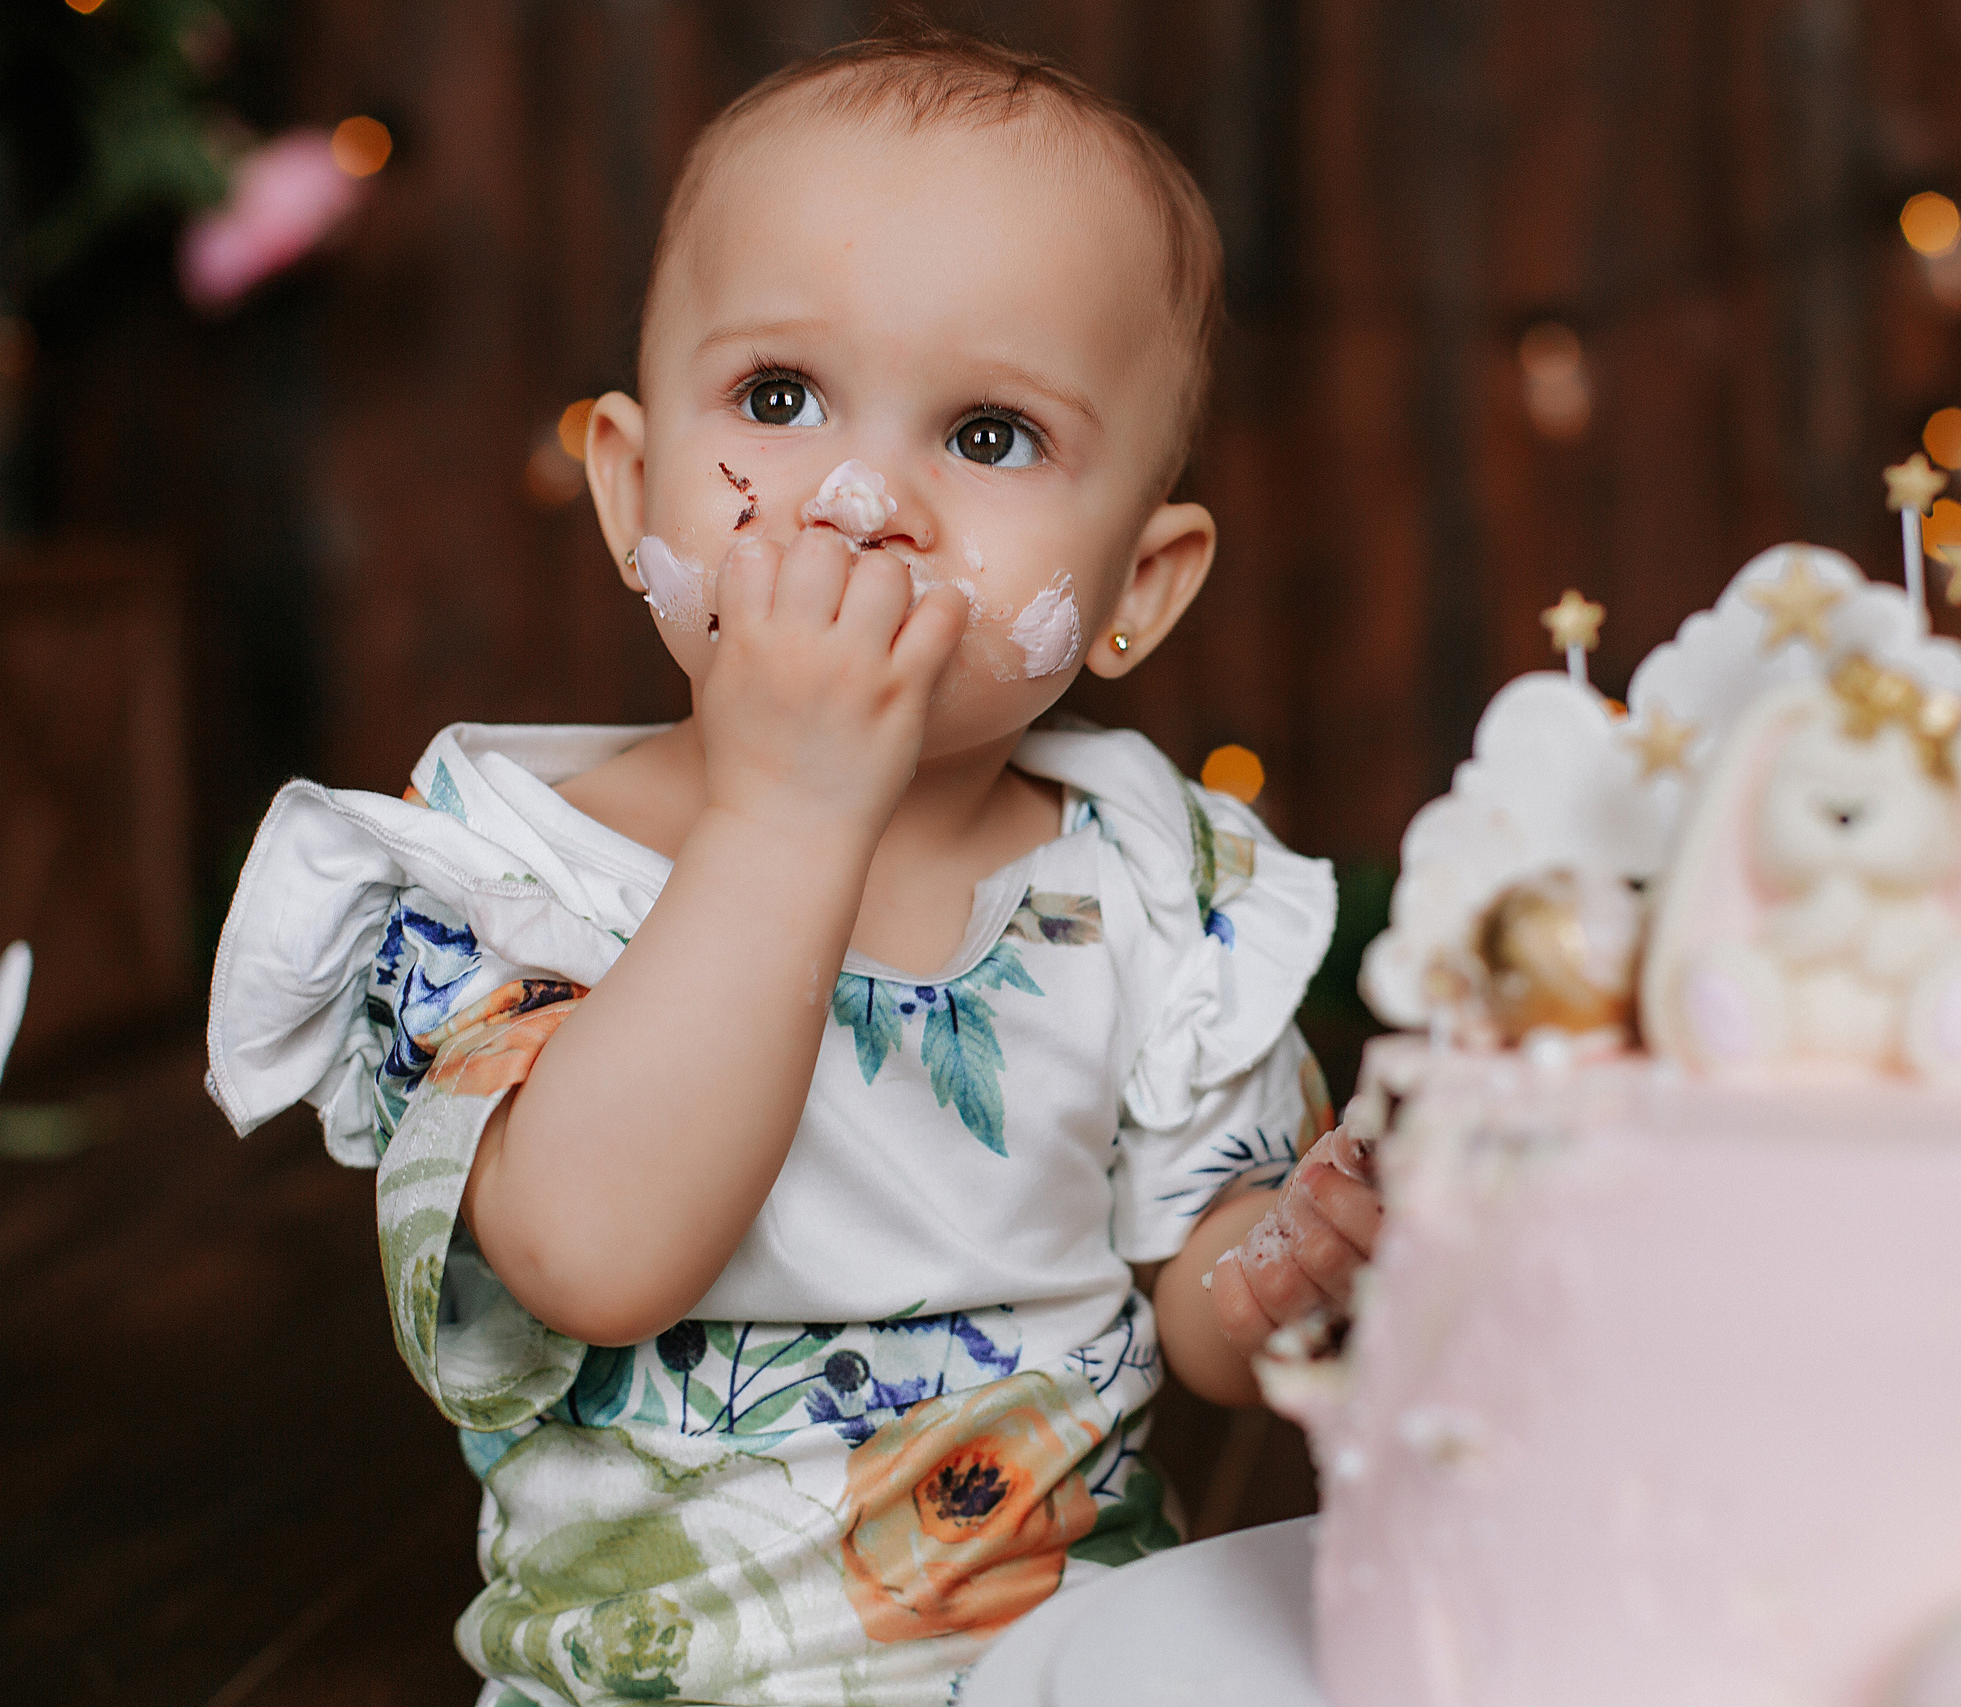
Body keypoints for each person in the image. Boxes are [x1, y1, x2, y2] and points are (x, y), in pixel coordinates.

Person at [205, 25, 1382, 1707]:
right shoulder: (506, 874)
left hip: (1070, 1659)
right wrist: (790, 812)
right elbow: (592, 1257)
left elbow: (1203, 1302)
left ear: (1140, 582)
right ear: (630, 492)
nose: (857, 499)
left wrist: (1295, 1260)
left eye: (988, 435)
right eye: (778, 398)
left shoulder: (1144, 872)